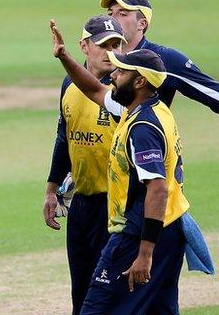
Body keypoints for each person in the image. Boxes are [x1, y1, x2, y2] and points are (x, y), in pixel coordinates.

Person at [50, 20, 190, 314]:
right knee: (159, 309)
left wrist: (145, 252)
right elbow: (94, 91)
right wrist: (64, 57)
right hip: (168, 228)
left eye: (122, 71)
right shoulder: (143, 106)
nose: (113, 75)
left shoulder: (143, 126)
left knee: (96, 308)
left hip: (141, 230)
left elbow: (157, 189)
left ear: (140, 81)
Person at [43, 15, 126, 314]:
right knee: (81, 291)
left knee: (108, 294)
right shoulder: (69, 83)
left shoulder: (125, 89)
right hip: (81, 205)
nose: (110, 52)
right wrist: (52, 189)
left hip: (116, 207)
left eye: (116, 45)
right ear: (84, 46)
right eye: (103, 45)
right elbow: (63, 138)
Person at [100, 0, 219, 112]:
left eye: (123, 14)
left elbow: (214, 95)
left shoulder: (165, 59)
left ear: (142, 24)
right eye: (110, 13)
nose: (112, 20)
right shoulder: (97, 55)